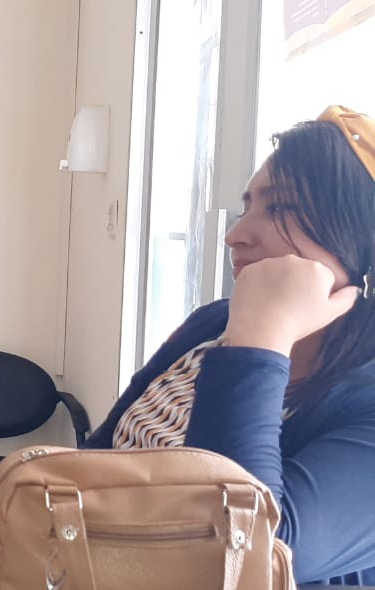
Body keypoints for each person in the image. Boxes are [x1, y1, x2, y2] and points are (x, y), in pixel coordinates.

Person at [84, 106, 375, 584]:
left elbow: (244, 556)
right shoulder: (216, 322)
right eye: (246, 208)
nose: (235, 236)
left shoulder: (262, 342)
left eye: (279, 208)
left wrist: (262, 339)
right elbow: (99, 455)